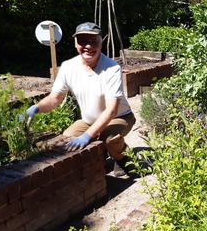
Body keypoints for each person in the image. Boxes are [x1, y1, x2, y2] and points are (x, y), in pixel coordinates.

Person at [22, 22, 136, 177]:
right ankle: (99, 155)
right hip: (89, 120)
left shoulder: (112, 68)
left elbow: (111, 111)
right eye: (82, 41)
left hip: (119, 117)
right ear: (75, 44)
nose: (88, 46)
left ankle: (123, 158)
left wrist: (88, 136)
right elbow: (54, 99)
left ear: (101, 43)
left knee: (108, 138)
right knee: (67, 138)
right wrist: (35, 108)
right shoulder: (68, 67)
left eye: (93, 41)